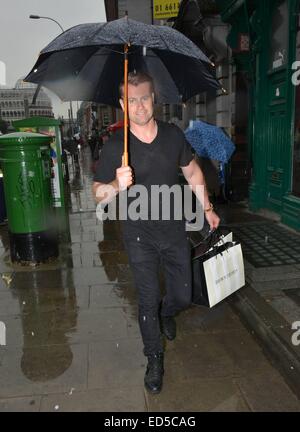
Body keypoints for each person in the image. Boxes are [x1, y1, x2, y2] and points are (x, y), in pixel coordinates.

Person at [92, 71, 220, 394]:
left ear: (154, 100)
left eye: (144, 98)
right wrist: (115, 186)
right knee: (146, 299)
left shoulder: (173, 136)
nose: (139, 106)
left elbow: (192, 172)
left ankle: (167, 312)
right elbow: (97, 193)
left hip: (174, 229)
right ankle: (154, 358)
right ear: (123, 104)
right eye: (131, 100)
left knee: (183, 294)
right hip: (139, 236)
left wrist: (207, 208)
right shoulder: (115, 147)